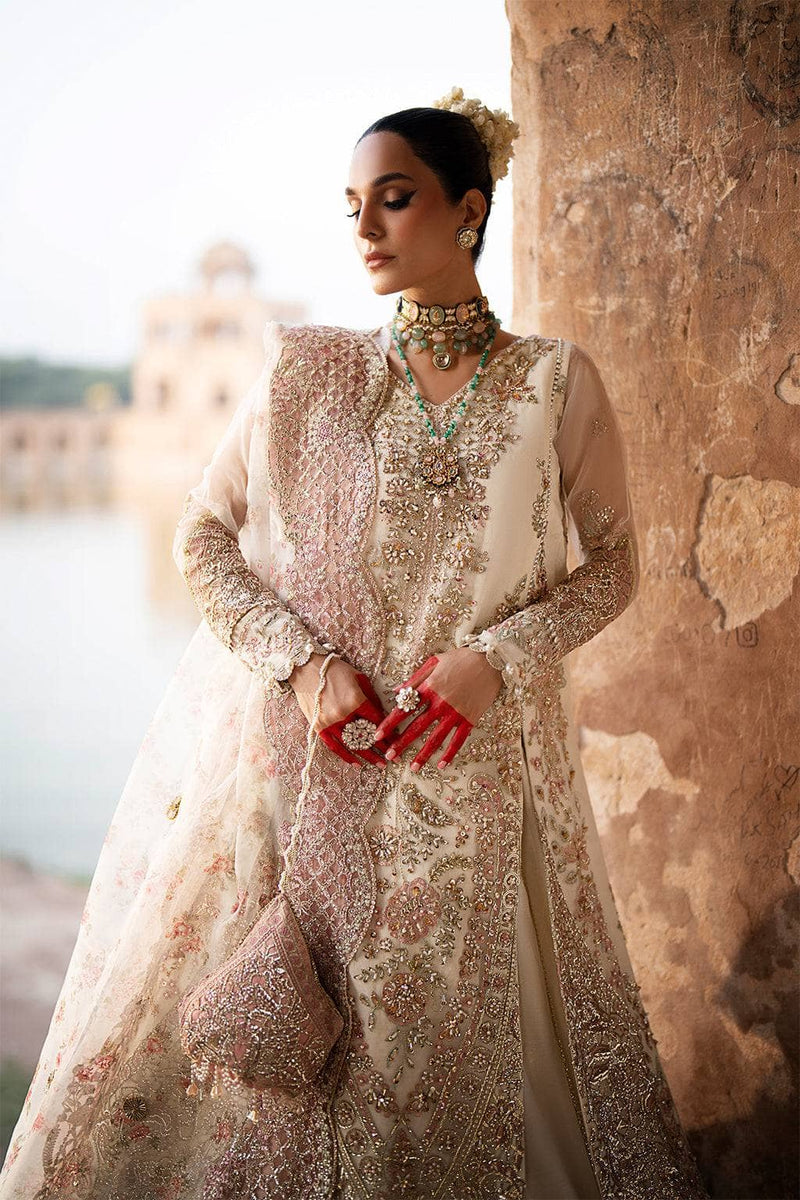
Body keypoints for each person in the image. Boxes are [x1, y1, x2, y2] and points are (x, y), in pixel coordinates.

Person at [0, 88, 709, 1200]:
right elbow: (200, 535)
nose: (366, 228)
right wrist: (303, 664)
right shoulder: (307, 375)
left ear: (468, 210)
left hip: (489, 783)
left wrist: (495, 661)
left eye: (395, 198)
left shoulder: (554, 383)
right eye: (351, 207)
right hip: (322, 775)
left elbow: (613, 568)